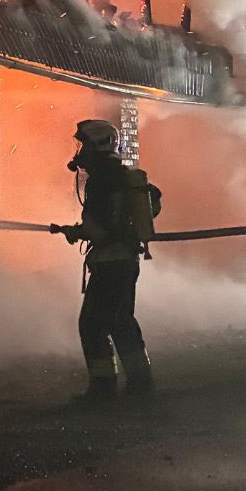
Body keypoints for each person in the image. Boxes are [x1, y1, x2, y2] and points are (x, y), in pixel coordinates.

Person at [59, 118, 154, 400]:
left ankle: (103, 388)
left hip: (111, 261)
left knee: (92, 324)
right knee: (121, 321)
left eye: (85, 145)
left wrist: (77, 232)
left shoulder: (102, 180)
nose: (81, 152)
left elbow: (98, 225)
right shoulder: (120, 176)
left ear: (98, 145)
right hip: (124, 260)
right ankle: (140, 383)